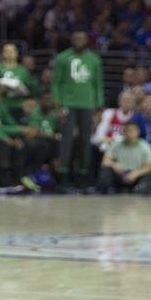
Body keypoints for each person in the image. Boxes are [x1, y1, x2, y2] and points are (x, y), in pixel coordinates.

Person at [52, 30, 103, 189]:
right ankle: (63, 175)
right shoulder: (62, 58)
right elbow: (56, 84)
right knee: (66, 141)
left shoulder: (94, 59)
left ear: (87, 39)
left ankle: (83, 175)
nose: (79, 40)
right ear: (71, 39)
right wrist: (58, 105)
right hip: (68, 103)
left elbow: (98, 84)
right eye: (75, 38)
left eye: (82, 38)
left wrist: (99, 107)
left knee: (85, 141)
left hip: (87, 104)